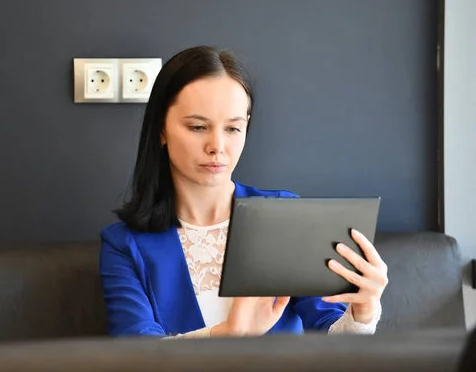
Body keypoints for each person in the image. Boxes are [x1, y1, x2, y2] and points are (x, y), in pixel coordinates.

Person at [99, 45, 389, 338]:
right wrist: (227, 334)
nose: (217, 146)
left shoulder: (284, 216)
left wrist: (362, 312)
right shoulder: (124, 244)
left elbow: (333, 336)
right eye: (198, 127)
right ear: (161, 129)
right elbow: (137, 355)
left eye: (233, 129)